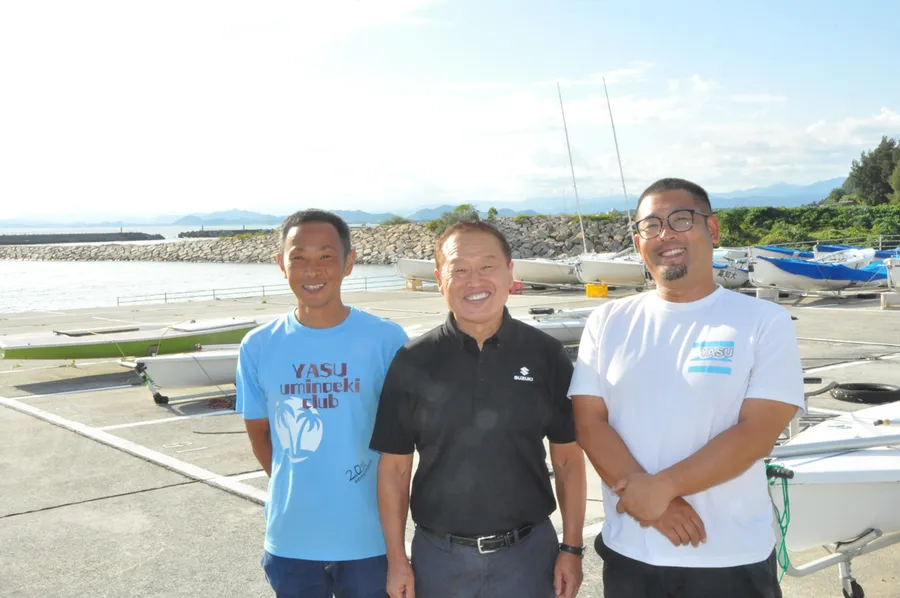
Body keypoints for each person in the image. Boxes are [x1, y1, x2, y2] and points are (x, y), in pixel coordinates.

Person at [568, 178, 805, 598]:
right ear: (639, 243)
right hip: (631, 555)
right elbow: (589, 423)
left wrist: (663, 489)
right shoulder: (607, 322)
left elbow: (757, 433)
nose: (666, 235)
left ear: (711, 229)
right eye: (651, 225)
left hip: (730, 559)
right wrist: (654, 505)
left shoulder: (763, 321)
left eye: (680, 219)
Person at [369, 220, 587, 598]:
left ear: (510, 273)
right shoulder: (412, 361)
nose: (475, 281)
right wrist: (396, 560)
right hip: (439, 559)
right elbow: (395, 469)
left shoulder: (546, 355)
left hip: (529, 557)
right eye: (459, 270)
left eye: (487, 266)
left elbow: (568, 460)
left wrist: (571, 549)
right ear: (440, 279)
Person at [236, 209, 409, 598]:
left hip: (370, 540)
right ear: (282, 264)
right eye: (298, 257)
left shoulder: (386, 339)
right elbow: (261, 436)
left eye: (325, 256)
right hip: (292, 539)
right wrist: (307, 483)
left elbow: (403, 446)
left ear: (349, 263)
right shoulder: (258, 345)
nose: (311, 270)